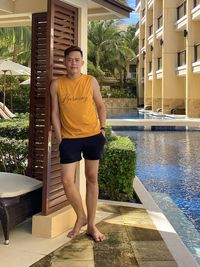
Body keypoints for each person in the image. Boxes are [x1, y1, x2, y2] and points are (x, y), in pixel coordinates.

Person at [50, 45, 106, 242]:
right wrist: (59, 136)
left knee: (92, 178)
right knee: (67, 180)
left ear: (82, 63)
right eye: (70, 59)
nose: (73, 62)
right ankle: (80, 216)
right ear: (65, 62)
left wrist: (103, 129)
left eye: (77, 59)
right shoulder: (57, 84)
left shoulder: (91, 81)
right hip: (69, 139)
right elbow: (55, 113)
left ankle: (91, 225)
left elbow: (100, 105)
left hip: (93, 136)